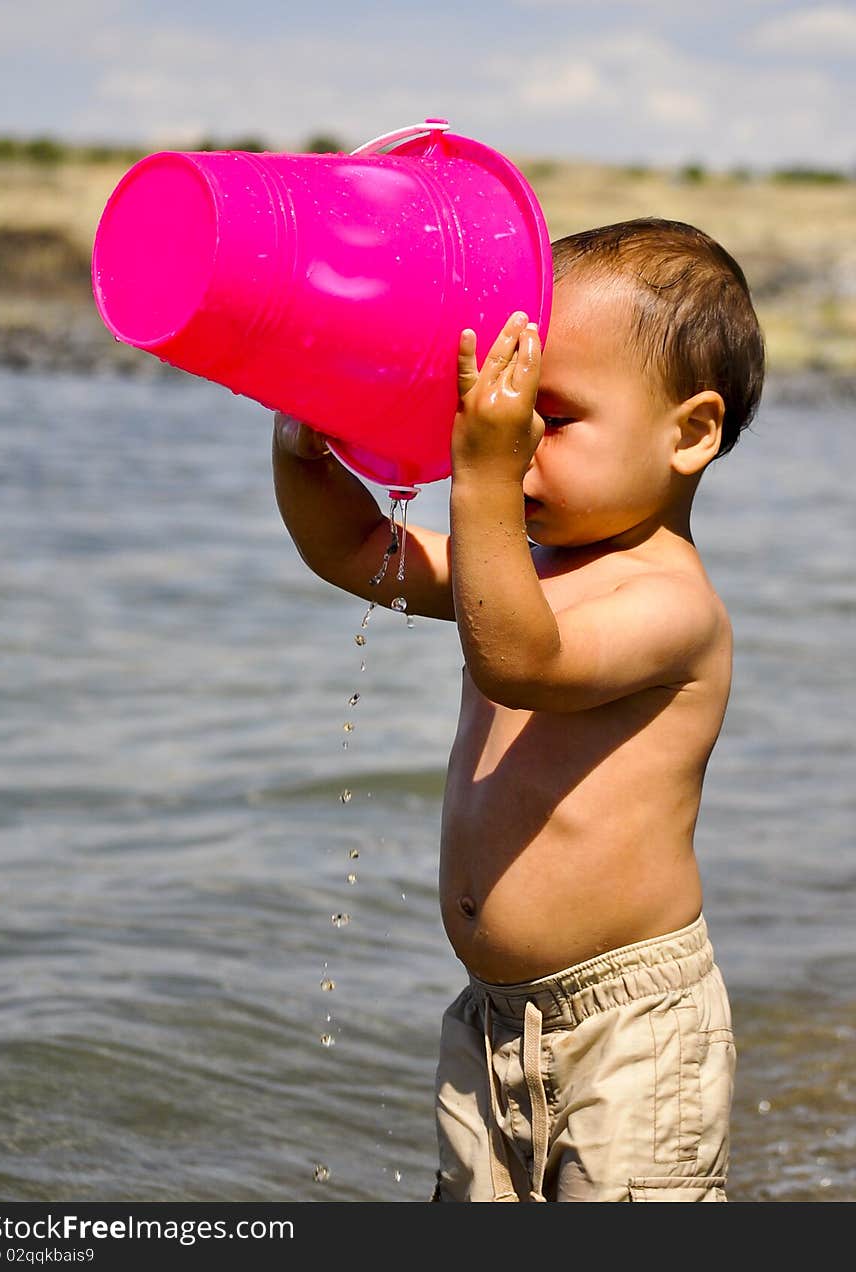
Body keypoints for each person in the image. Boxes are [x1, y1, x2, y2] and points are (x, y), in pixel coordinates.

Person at [271, 217, 765, 1202]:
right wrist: (306, 457)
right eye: (503, 415)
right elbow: (363, 553)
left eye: (553, 418)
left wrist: (484, 474)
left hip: (631, 1031)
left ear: (690, 433)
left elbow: (521, 662)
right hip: (494, 1016)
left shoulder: (671, 606)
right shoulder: (526, 568)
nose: (516, 443)